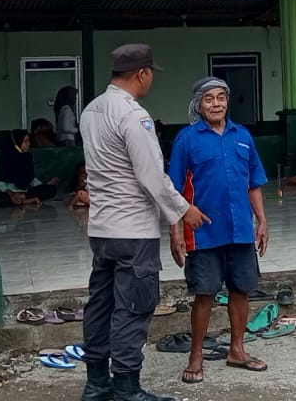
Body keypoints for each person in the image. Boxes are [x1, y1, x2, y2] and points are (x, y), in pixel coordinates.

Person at [78, 43, 209, 401]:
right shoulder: (134, 116)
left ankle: (96, 384)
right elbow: (152, 176)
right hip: (133, 231)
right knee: (132, 309)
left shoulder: (91, 111)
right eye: (151, 74)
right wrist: (184, 211)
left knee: (100, 306)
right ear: (142, 74)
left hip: (102, 230)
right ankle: (126, 388)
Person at [168, 77, 270, 384]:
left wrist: (262, 220)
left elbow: (254, 183)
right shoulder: (187, 139)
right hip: (202, 232)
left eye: (221, 98)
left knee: (241, 290)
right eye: (209, 99)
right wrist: (175, 231)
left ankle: (237, 350)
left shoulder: (243, 136)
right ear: (198, 105)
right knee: (205, 294)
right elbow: (171, 190)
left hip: (240, 229)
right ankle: (196, 355)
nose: (216, 104)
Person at [0, 130, 60, 208]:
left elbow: (31, 179)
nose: (28, 144)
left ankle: (22, 199)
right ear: (16, 143)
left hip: (26, 192)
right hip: (9, 193)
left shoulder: (28, 157)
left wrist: (46, 184)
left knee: (51, 190)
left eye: (29, 141)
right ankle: (25, 201)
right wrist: (12, 194)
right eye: (25, 141)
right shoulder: (5, 158)